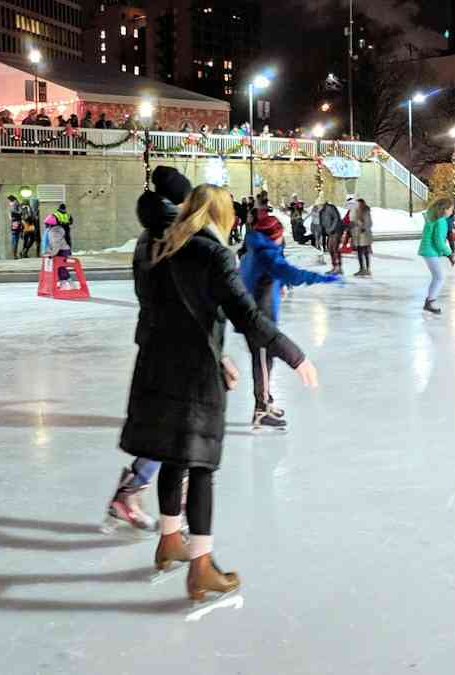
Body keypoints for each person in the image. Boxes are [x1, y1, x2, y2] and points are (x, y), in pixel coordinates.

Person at [121, 182, 318, 601]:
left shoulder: (156, 246)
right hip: (194, 375)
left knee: (173, 457)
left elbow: (159, 311)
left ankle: (170, 540)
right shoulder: (213, 254)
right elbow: (246, 316)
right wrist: (293, 354)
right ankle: (201, 567)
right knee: (200, 468)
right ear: (220, 214)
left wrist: (218, 354)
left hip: (155, 368)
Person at [106, 166, 192, 533]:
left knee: (172, 425)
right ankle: (170, 509)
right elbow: (185, 296)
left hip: (155, 339)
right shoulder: (172, 237)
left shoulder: (149, 234)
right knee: (183, 428)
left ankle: (135, 492)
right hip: (178, 344)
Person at [240, 214, 339, 430]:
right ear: (274, 236)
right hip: (260, 320)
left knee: (265, 362)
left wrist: (278, 285)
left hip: (257, 316)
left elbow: (262, 277)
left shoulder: (253, 251)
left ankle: (266, 401)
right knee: (262, 363)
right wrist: (322, 278)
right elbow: (292, 273)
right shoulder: (266, 255)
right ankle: (261, 410)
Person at [419, 197, 455, 315]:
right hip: (430, 251)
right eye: (451, 209)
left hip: (428, 250)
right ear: (444, 209)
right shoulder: (440, 221)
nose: (452, 212)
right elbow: (439, 241)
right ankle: (429, 302)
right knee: (439, 277)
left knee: (437, 276)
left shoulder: (433, 217)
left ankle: (429, 301)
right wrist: (449, 254)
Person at [43, 212, 76, 289]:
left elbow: (56, 244)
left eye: (46, 224)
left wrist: (52, 254)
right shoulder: (53, 230)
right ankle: (63, 283)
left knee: (61, 268)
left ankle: (70, 283)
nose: (45, 226)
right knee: (59, 268)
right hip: (61, 250)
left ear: (50, 224)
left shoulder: (54, 232)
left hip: (62, 251)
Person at [316, 196, 343, 272]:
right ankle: (334, 266)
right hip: (330, 232)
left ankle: (338, 268)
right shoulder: (321, 211)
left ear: (322, 204)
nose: (318, 206)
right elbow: (321, 223)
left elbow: (336, 218)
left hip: (336, 231)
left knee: (335, 248)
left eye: (318, 205)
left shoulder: (330, 208)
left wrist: (331, 229)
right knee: (330, 249)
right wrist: (320, 233)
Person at [349, 198, 374, 277]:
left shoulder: (366, 211)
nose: (358, 205)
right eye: (357, 204)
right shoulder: (354, 211)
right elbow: (352, 220)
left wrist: (364, 227)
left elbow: (369, 222)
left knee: (365, 252)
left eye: (360, 204)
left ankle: (367, 269)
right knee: (359, 252)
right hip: (357, 234)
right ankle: (361, 268)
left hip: (364, 235)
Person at [7, 195, 24, 259]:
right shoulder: (16, 204)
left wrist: (12, 214)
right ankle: (15, 254)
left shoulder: (15, 204)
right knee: (15, 239)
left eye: (9, 200)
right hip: (16, 223)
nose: (9, 202)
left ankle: (14, 254)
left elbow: (19, 212)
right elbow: (20, 212)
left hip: (15, 223)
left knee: (14, 239)